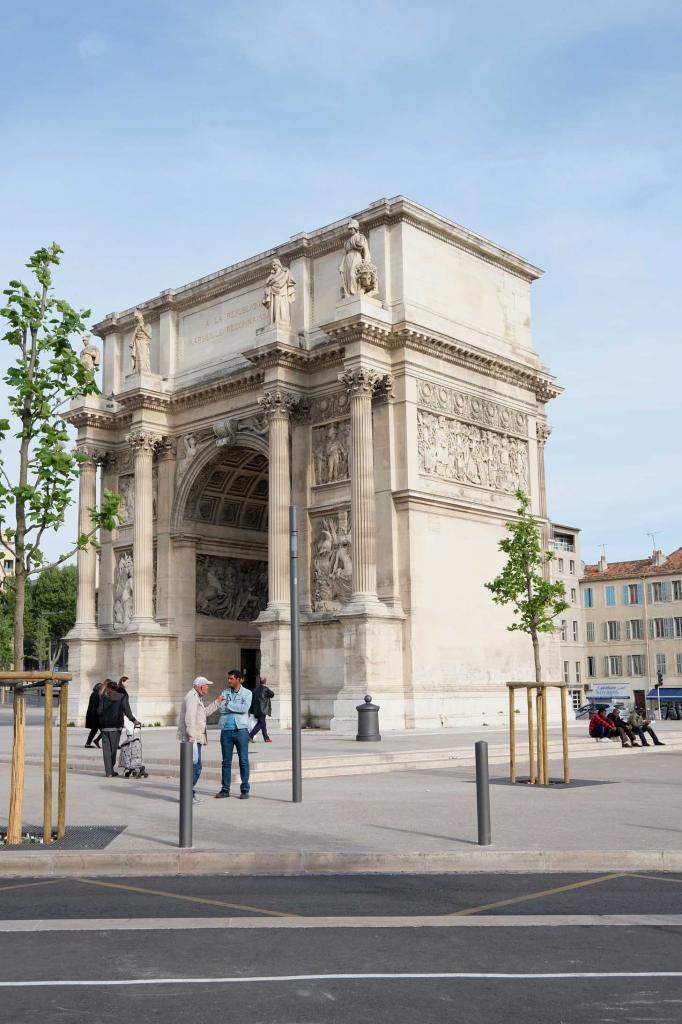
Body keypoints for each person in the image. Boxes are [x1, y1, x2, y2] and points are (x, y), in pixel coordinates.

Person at [177, 676, 225, 803]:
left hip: (194, 737)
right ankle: (187, 794)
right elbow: (190, 718)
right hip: (192, 738)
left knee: (193, 767)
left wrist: (218, 702)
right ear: (199, 686)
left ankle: (188, 794)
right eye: (206, 685)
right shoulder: (192, 697)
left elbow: (204, 713)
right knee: (196, 768)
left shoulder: (197, 697)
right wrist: (192, 737)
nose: (208, 687)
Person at [215, 669, 252, 800]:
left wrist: (229, 704)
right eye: (228, 678)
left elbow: (244, 709)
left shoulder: (247, 693)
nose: (229, 681)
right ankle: (225, 789)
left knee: (243, 761)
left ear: (238, 679)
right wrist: (233, 706)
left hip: (241, 730)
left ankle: (245, 789)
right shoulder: (225, 692)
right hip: (226, 730)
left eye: (231, 678)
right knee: (226, 762)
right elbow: (221, 708)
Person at [97, 678, 140, 777]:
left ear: (108, 688)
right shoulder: (122, 697)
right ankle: (111, 770)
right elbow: (127, 710)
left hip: (105, 727)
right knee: (112, 750)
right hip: (116, 727)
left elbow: (99, 711)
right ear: (116, 688)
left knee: (106, 750)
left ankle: (109, 772)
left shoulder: (104, 697)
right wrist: (134, 720)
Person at [249, 676, 275, 743]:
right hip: (262, 709)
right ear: (265, 682)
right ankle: (250, 735)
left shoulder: (255, 689)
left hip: (256, 709)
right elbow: (272, 694)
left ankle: (266, 738)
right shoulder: (265, 689)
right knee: (261, 723)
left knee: (263, 723)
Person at [84, 680, 105, 747]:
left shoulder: (95, 694)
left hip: (95, 716)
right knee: (104, 730)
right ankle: (92, 742)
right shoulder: (95, 695)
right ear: (100, 688)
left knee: (95, 730)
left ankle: (89, 743)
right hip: (95, 716)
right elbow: (95, 707)